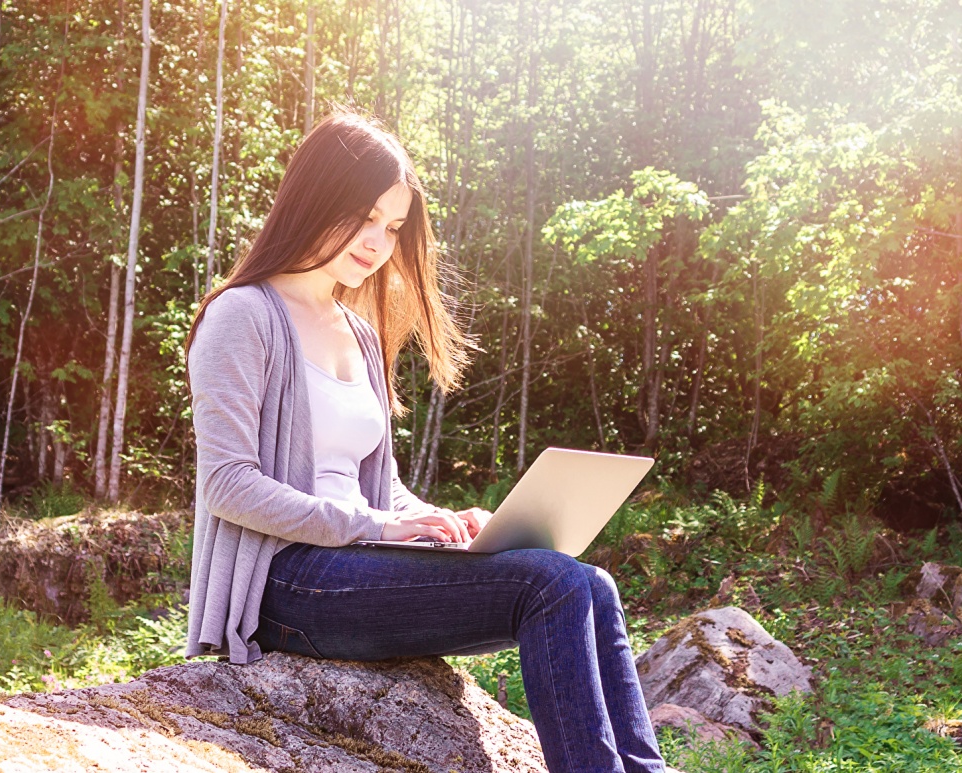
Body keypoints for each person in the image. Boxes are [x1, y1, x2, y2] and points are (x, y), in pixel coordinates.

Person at [183, 110, 666, 773]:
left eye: (393, 225)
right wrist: (376, 524)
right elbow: (228, 484)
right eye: (364, 215)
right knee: (550, 583)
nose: (378, 240)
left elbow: (377, 485)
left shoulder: (355, 330)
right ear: (315, 197)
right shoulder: (242, 316)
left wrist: (436, 522)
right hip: (288, 583)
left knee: (594, 584)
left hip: (355, 558)